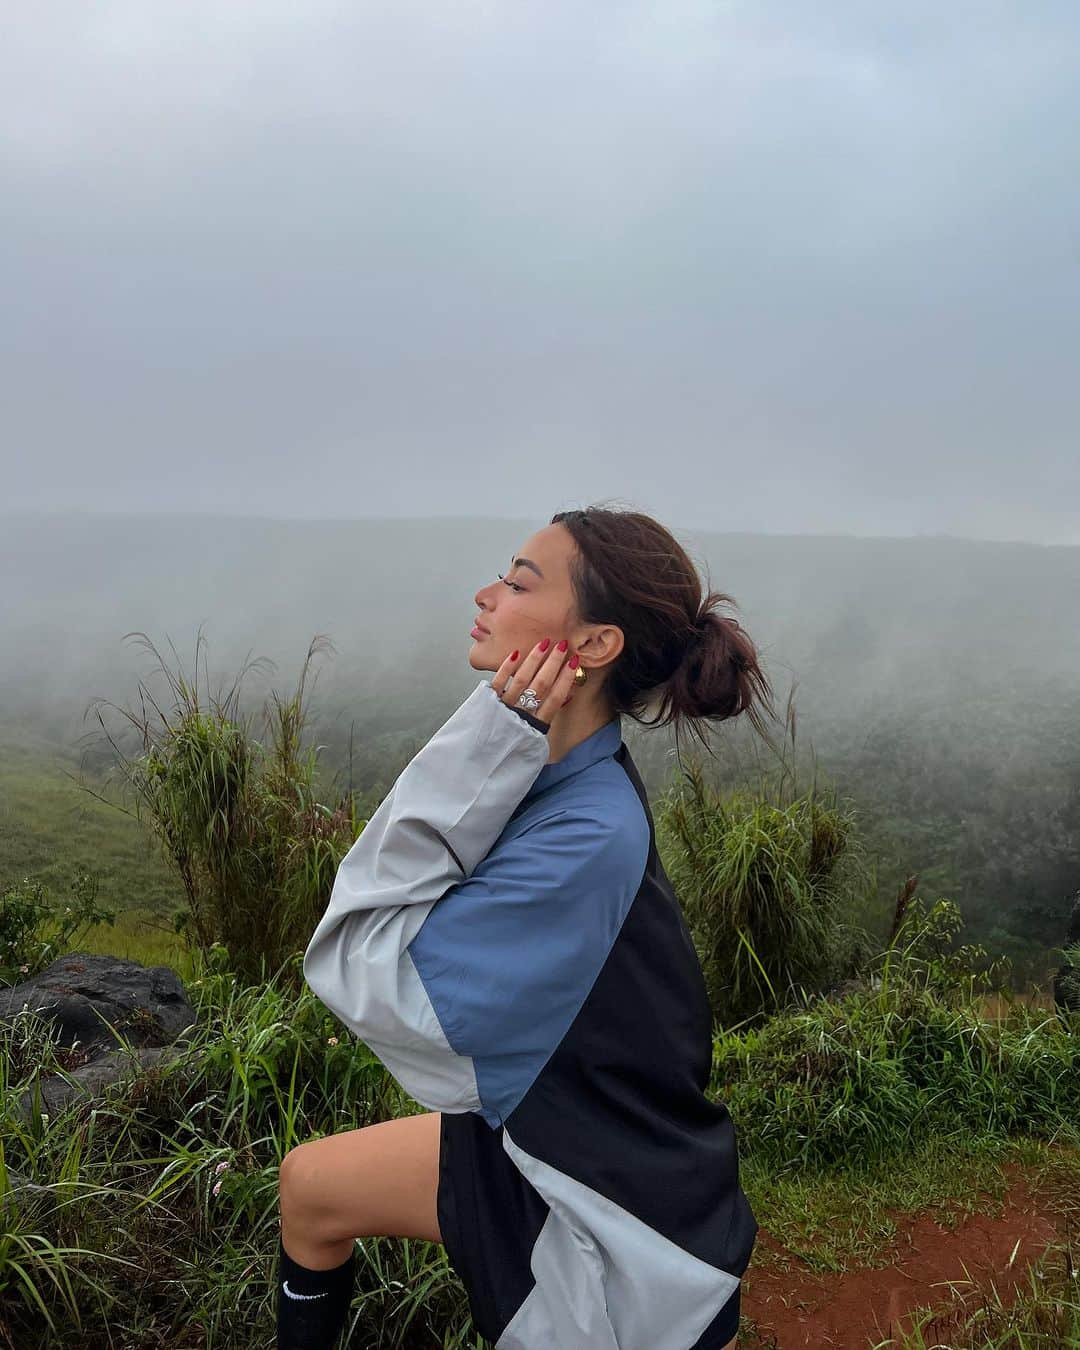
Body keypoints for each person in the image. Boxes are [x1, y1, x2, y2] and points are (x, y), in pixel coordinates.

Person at [277, 505, 775, 1349]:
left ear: (591, 646)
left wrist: (485, 735)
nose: (485, 593)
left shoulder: (591, 834)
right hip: (541, 1127)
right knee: (311, 1187)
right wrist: (500, 739)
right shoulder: (548, 773)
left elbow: (358, 961)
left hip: (610, 1212)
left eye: (516, 582)